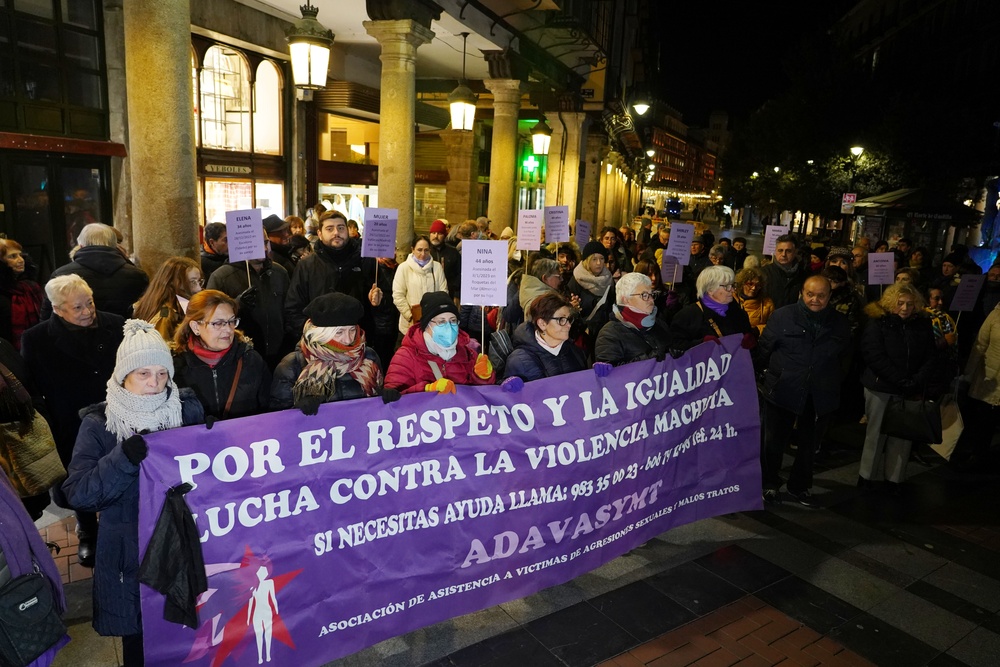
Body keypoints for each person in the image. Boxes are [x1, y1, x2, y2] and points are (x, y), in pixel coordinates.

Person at [62, 319, 203, 667]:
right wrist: (122, 458)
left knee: (191, 633)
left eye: (161, 373)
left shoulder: (187, 410)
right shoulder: (100, 424)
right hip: (132, 553)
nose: (154, 384)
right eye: (143, 374)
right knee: (142, 644)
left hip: (185, 542)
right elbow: (78, 493)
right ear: (123, 375)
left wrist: (216, 437)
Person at [21, 274, 124, 566]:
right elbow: (33, 388)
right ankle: (88, 531)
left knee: (120, 467)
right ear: (57, 309)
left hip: (115, 413)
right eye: (77, 307)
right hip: (69, 420)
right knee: (78, 474)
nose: (87, 312)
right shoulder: (36, 339)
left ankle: (121, 526)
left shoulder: (115, 324)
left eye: (89, 303)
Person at [757, 276, 850, 506]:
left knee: (809, 446)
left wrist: (834, 381)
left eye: (821, 295)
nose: (814, 299)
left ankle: (799, 486)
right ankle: (768, 484)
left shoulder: (839, 322)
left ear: (829, 296)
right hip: (782, 390)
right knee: (772, 443)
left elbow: (846, 358)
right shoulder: (782, 316)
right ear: (801, 293)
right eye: (810, 294)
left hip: (819, 393)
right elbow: (763, 350)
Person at [858, 283, 943, 490]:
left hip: (909, 389)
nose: (905, 308)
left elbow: (930, 356)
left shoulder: (922, 324)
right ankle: (867, 476)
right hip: (881, 388)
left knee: (903, 435)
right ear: (890, 303)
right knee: (876, 434)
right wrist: (901, 380)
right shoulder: (878, 322)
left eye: (910, 304)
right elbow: (874, 355)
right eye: (900, 303)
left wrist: (915, 381)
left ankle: (894, 479)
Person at [270, 293, 384, 413]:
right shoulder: (292, 365)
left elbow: (376, 406)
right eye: (339, 332)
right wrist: (296, 410)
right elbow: (277, 416)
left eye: (352, 330)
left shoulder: (368, 356)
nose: (348, 339)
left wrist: (384, 399)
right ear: (321, 334)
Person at [172, 290, 270, 420]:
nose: (228, 329)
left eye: (231, 321)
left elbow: (270, 409)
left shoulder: (250, 360)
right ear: (195, 326)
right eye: (218, 323)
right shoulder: (174, 367)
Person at [285, 210, 379, 339]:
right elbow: (293, 307)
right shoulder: (307, 265)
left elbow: (381, 304)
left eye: (340, 228)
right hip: (319, 341)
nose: (336, 233)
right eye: (329, 229)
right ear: (320, 234)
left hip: (356, 339)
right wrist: (311, 334)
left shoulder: (365, 261)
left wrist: (377, 302)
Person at [384, 291, 495, 394]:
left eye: (453, 320)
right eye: (441, 321)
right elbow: (393, 400)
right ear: (426, 325)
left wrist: (483, 378)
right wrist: (427, 389)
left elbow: (479, 398)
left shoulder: (469, 355)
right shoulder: (405, 357)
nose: (448, 327)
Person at [207, 236, 291, 370]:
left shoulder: (279, 273)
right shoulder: (221, 276)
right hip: (239, 356)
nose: (264, 248)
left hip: (278, 354)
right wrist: (237, 305)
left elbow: (289, 309)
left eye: (265, 242)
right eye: (257, 243)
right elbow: (209, 314)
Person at [42, 223, 149, 320]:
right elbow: (147, 312)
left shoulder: (61, 275)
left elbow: (48, 316)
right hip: (126, 337)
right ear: (114, 246)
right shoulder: (138, 275)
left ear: (81, 246)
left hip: (75, 337)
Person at [667, 265, 755, 354]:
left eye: (733, 285)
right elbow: (674, 348)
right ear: (710, 290)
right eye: (727, 286)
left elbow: (750, 338)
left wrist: (751, 339)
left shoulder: (738, 312)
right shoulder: (687, 316)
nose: (732, 290)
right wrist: (700, 344)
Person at [502, 292, 586, 383]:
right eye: (561, 320)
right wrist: (509, 390)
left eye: (569, 319)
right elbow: (510, 396)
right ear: (542, 324)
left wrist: (597, 377)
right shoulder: (518, 361)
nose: (569, 325)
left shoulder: (575, 353)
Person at [954, 302, 1000, 466]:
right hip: (988, 378)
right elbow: (980, 344)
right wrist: (969, 373)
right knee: (982, 420)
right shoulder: (996, 314)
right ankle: (977, 454)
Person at [595, 272, 670, 366]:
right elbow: (611, 377)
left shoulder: (660, 324)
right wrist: (645, 361)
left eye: (652, 294)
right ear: (626, 299)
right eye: (644, 295)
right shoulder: (609, 334)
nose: (651, 300)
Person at [132, 256, 204, 343]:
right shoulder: (165, 312)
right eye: (192, 282)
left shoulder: (164, 303)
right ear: (174, 282)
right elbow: (162, 346)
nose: (199, 288)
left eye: (199, 281)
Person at [566, 241, 615, 358]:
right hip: (584, 334)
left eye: (602, 259)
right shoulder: (576, 280)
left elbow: (612, 305)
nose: (599, 263)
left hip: (603, 333)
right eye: (594, 259)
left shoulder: (608, 279)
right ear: (587, 260)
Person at [392, 235, 448, 336]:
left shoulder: (437, 267)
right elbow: (398, 295)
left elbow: (443, 293)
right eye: (419, 250)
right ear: (412, 249)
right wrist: (410, 316)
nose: (423, 254)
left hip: (433, 324)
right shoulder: (403, 268)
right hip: (410, 323)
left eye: (426, 250)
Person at [0, 239, 43, 349]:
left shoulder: (30, 287)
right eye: (12, 256)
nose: (20, 260)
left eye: (20, 255)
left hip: (35, 349)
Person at [762, 234, 807, 309]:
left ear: (795, 252)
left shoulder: (803, 275)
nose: (783, 254)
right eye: (780, 250)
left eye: (788, 251)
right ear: (775, 251)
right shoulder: (764, 272)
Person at [427, 219, 461, 303]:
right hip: (428, 294)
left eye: (439, 233)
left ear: (444, 235)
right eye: (433, 233)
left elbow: (459, 273)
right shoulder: (425, 251)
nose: (436, 236)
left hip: (448, 295)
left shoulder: (452, 252)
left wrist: (453, 288)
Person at [733, 266, 774, 333]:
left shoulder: (767, 304)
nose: (754, 288)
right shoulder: (732, 300)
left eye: (758, 285)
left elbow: (772, 327)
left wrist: (756, 331)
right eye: (750, 284)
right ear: (742, 284)